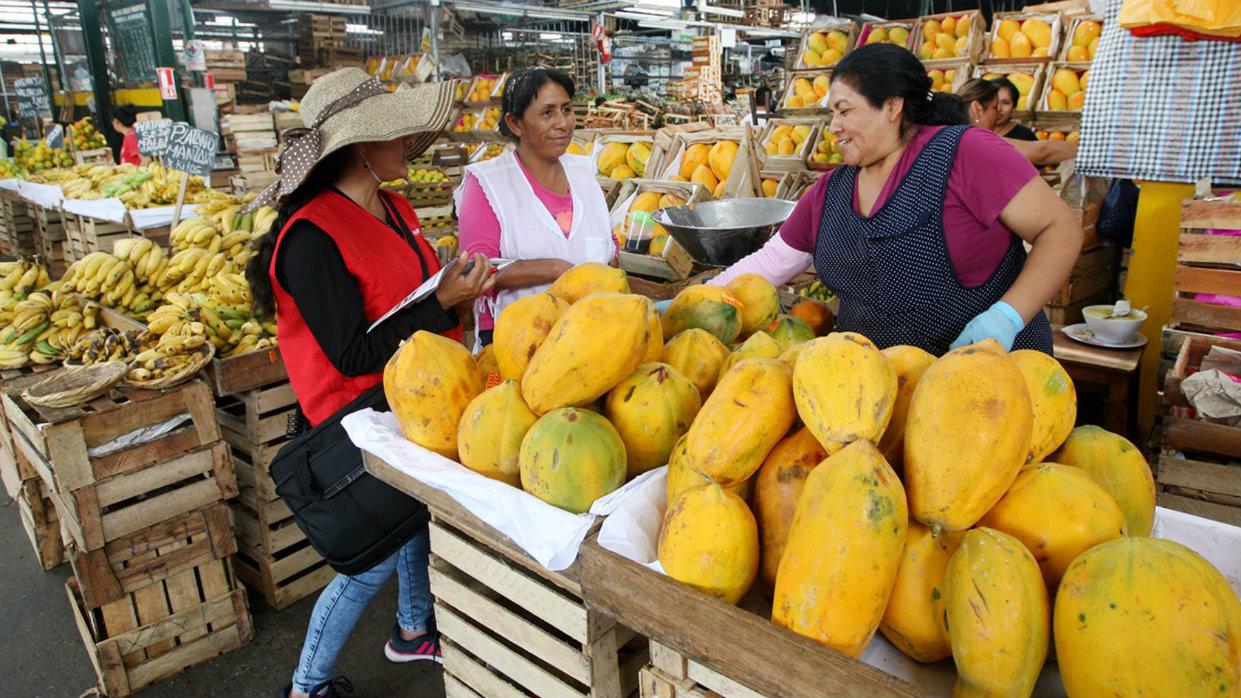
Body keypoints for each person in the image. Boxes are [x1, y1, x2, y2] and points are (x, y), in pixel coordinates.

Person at [244, 68, 495, 698]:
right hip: (351, 423)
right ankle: (307, 685)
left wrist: (452, 289)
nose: (410, 140)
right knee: (370, 559)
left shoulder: (394, 206)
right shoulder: (309, 240)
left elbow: (410, 295)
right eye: (395, 132)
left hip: (408, 402)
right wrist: (443, 304)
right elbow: (352, 350)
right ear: (361, 148)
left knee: (411, 516)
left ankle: (411, 631)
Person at [710, 44, 1082, 355]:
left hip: (991, 382)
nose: (834, 126)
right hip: (883, 394)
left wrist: (1007, 317)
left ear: (892, 106)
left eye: (844, 110)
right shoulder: (831, 191)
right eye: (831, 114)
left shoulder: (965, 153)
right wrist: (698, 300)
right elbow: (772, 263)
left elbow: (1060, 229)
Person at [456, 67, 616, 347]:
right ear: (515, 123)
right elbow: (476, 270)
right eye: (547, 113)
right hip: (518, 340)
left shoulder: (584, 173)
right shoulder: (488, 184)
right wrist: (555, 268)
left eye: (566, 109)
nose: (563, 123)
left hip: (592, 333)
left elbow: (611, 249)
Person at [959, 78, 1077, 166]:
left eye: (1005, 103)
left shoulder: (951, 135)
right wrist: (1088, 152)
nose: (998, 112)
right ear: (977, 109)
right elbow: (1043, 152)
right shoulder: (975, 140)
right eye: (995, 107)